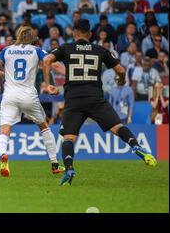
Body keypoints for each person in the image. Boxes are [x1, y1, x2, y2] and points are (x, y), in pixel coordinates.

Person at [43, 19, 157, 186]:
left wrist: (48, 85)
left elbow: (47, 61)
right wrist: (121, 79)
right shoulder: (100, 50)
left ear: (74, 33)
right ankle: (136, 146)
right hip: (95, 98)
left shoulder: (66, 48)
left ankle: (69, 169)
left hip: (74, 99)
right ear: (90, 34)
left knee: (68, 138)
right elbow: (121, 70)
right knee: (118, 128)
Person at [0, 26, 64, 177]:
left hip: (9, 95)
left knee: (4, 131)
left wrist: (7, 74)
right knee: (44, 127)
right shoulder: (36, 50)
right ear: (32, 38)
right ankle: (55, 164)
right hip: (28, 96)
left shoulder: (6, 50)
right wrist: (68, 74)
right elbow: (52, 63)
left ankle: (3, 155)